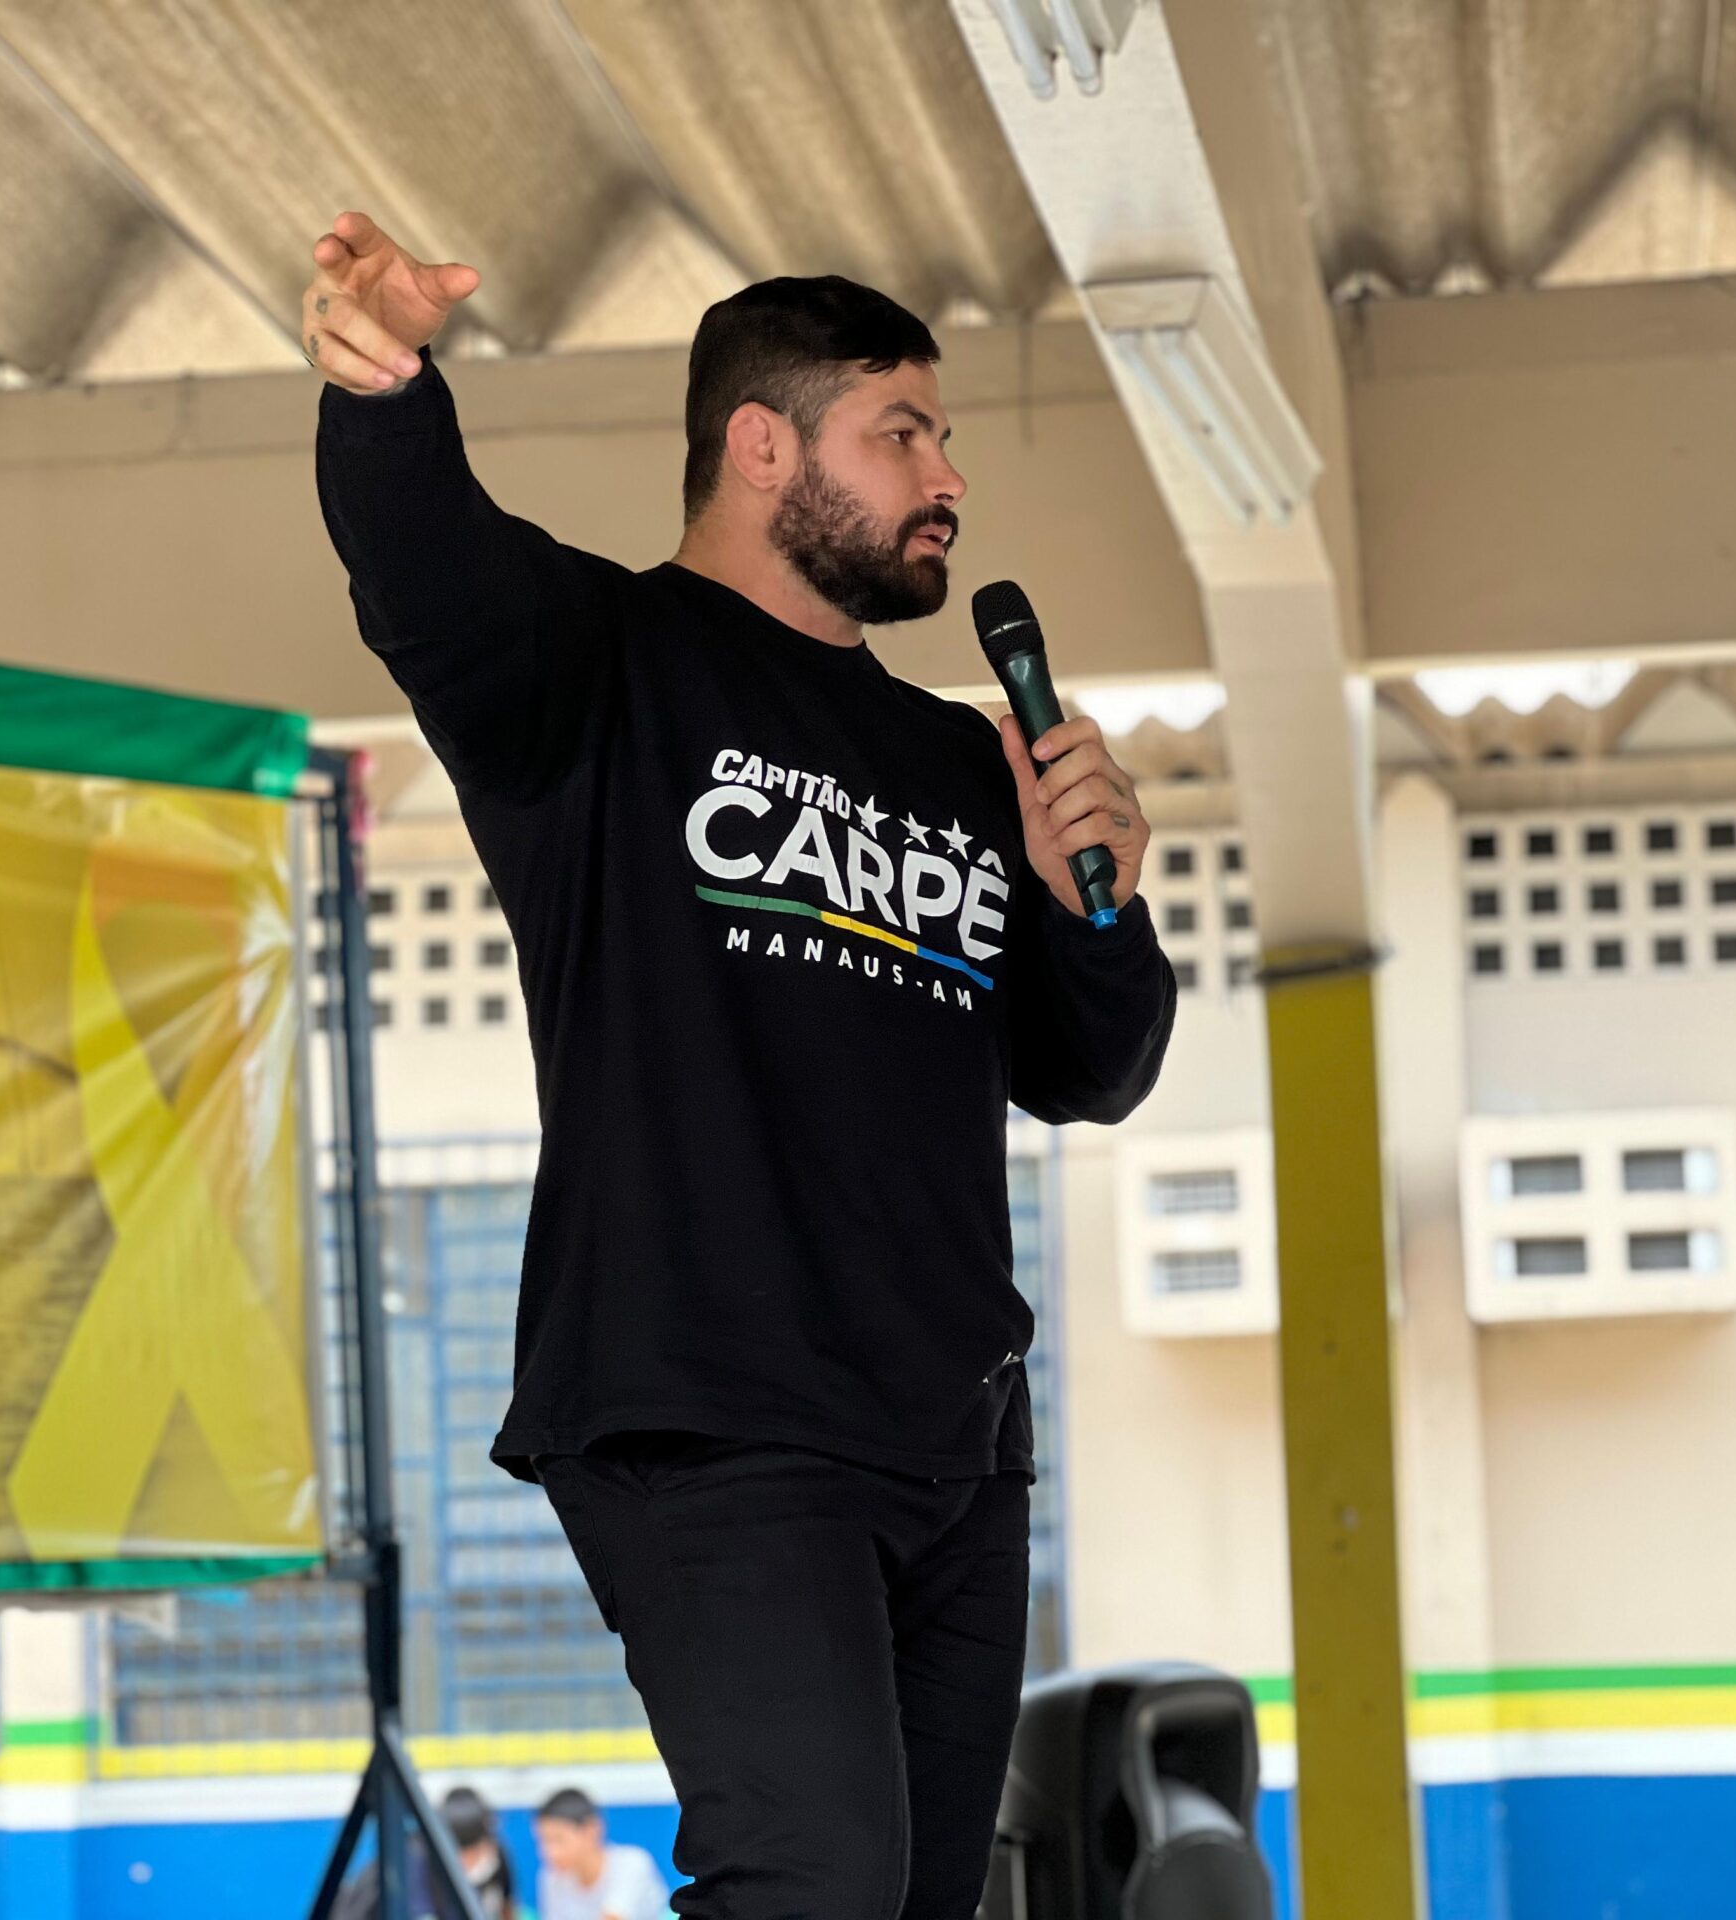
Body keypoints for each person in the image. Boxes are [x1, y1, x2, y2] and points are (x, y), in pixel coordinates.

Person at [308, 209, 1176, 1919]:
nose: (948, 478)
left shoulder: (953, 760)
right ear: (761, 445)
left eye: (945, 435)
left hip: (953, 1441)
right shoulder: (599, 668)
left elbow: (1097, 1070)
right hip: (710, 1410)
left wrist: (1097, 899)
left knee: (918, 1900)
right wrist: (386, 383)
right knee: (814, 1881)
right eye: (903, 429)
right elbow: (423, 558)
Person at [532, 1788, 670, 1920]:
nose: (549, 1852)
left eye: (558, 1839)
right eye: (543, 1841)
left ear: (591, 1830)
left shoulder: (632, 1863)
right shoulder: (550, 1878)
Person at [442, 1785, 525, 1920]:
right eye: (463, 1854)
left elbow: (508, 1907)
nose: (469, 1861)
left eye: (475, 1851)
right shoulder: (429, 1869)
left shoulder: (498, 1857)